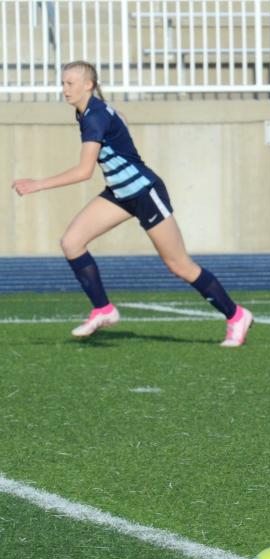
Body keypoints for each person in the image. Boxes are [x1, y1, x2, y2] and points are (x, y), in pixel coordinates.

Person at [11, 61, 253, 346]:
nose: (64, 89)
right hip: (119, 193)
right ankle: (103, 309)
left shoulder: (94, 116)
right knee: (72, 242)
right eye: (62, 83)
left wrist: (37, 184)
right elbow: (120, 120)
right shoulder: (90, 111)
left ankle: (236, 316)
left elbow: (83, 171)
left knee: (179, 265)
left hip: (144, 192)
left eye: (70, 83)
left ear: (88, 84)